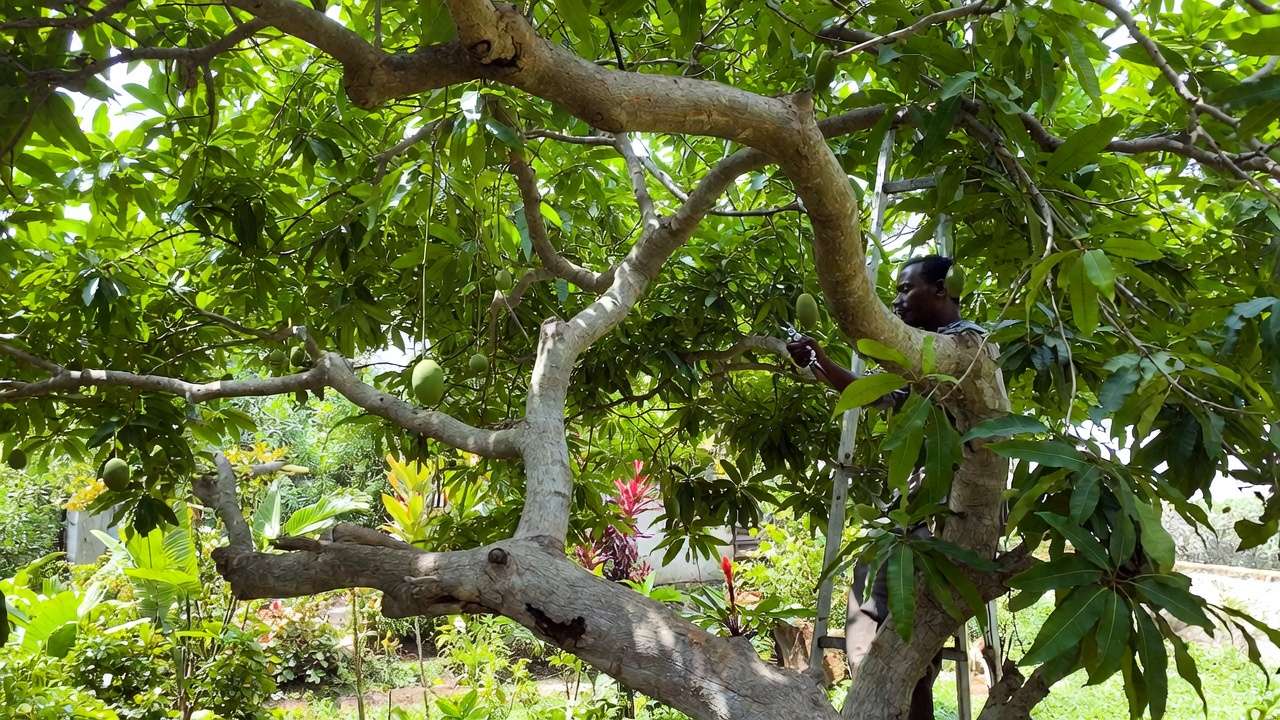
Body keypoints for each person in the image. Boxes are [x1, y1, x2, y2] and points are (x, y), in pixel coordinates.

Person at [786, 254, 997, 720]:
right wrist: (818, 358)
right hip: (915, 515)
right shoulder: (919, 361)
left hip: (945, 517)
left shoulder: (967, 346)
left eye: (906, 289)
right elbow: (867, 391)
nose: (897, 300)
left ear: (942, 290)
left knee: (905, 652)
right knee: (892, 649)